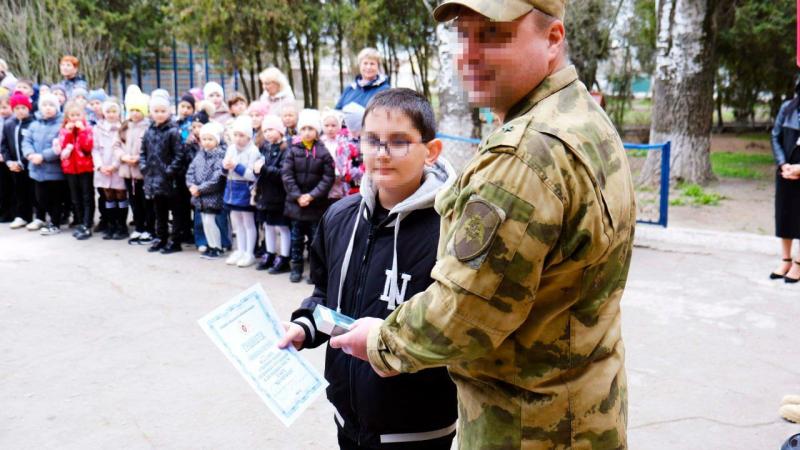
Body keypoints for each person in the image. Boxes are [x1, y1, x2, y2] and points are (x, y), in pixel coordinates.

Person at [329, 2, 636, 448]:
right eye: (463, 34)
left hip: (528, 426)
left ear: (552, 38)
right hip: (581, 409)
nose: (468, 53)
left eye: (493, 35)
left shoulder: (526, 154)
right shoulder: (579, 117)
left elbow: (465, 310)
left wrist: (381, 340)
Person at [278, 88, 458, 450]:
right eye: (372, 140)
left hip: (418, 428)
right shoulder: (339, 216)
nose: (382, 153)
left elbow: (458, 329)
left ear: (432, 151)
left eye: (399, 141)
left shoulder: (449, 229)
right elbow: (326, 296)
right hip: (348, 417)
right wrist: (305, 326)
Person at [281, 109, 335, 283]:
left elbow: (328, 178)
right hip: (296, 205)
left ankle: (314, 272)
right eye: (303, 128)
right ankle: (295, 268)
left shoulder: (323, 152)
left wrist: (311, 196)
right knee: (296, 238)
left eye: (310, 128)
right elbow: (287, 175)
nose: (307, 132)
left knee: (314, 240)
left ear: (317, 131)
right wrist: (298, 196)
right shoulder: (292, 151)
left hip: (315, 205)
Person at [140, 93, 186, 254]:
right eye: (156, 111)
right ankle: (161, 238)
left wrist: (169, 171)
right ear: (151, 112)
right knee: (159, 211)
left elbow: (180, 155)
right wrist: (144, 167)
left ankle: (175, 241)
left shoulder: (173, 132)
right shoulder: (149, 131)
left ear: (169, 112)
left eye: (163, 111)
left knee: (175, 211)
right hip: (153, 178)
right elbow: (143, 152)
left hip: (169, 180)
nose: (159, 114)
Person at [186, 102, 232, 253]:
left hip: (213, 196)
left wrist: (199, 189)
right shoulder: (200, 154)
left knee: (215, 221)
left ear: (217, 140)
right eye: (204, 139)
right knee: (205, 222)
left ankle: (219, 245)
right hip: (200, 196)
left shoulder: (220, 155)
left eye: (210, 139)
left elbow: (217, 178)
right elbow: (190, 171)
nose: (206, 142)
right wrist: (191, 185)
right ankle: (211, 245)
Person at [21, 92, 65, 235]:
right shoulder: (34, 124)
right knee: (41, 198)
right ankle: (49, 219)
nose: (48, 108)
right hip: (36, 169)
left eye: (51, 105)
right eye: (45, 105)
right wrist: (30, 154)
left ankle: (55, 223)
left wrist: (43, 156)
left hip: (54, 170)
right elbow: (26, 141)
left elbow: (60, 145)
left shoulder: (61, 125)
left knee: (55, 198)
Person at [770, 80, 800, 282]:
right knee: (785, 215)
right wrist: (783, 164)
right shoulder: (787, 108)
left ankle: (798, 264)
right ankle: (786, 259)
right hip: (786, 170)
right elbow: (775, 136)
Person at [222, 115, 261, 268]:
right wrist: (225, 167)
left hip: (245, 189)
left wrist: (236, 166)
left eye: (242, 135)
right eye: (236, 135)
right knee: (237, 222)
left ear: (249, 136)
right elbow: (224, 170)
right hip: (231, 187)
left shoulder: (253, 151)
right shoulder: (231, 148)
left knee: (248, 223)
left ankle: (249, 252)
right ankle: (240, 249)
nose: (238, 138)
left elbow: (252, 175)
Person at [254, 115, 290, 273]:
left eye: (271, 129)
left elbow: (283, 173)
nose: (268, 133)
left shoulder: (285, 149)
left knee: (282, 227)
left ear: (280, 130)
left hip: (279, 196)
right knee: (267, 226)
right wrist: (256, 170)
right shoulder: (265, 148)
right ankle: (269, 253)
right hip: (265, 194)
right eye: (265, 130)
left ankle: (284, 257)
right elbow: (259, 168)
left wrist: (263, 169)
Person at [116, 91, 154, 244]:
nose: (135, 113)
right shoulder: (125, 127)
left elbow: (151, 149)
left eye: (138, 110)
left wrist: (139, 158)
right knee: (134, 202)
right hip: (127, 172)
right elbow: (116, 145)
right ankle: (138, 227)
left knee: (146, 202)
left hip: (142, 172)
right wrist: (123, 157)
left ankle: (149, 229)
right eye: (132, 110)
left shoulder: (148, 128)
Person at [57, 101, 95, 240]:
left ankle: (87, 222)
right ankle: (79, 221)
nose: (75, 118)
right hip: (70, 168)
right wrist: (68, 132)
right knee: (75, 197)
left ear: (83, 115)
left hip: (85, 167)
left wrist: (83, 131)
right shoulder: (63, 130)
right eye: (72, 115)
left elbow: (87, 147)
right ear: (67, 117)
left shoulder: (88, 129)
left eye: (77, 115)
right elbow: (62, 146)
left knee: (87, 195)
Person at [93, 99, 128, 240]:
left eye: (114, 111)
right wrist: (100, 166)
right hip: (103, 168)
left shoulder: (123, 128)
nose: (111, 114)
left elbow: (122, 148)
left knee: (120, 195)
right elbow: (94, 149)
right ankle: (111, 224)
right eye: (108, 111)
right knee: (108, 196)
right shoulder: (98, 129)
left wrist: (115, 165)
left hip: (117, 168)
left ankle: (122, 225)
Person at [1, 91, 35, 229]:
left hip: (30, 164)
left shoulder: (33, 123)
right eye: (17, 108)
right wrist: (9, 162)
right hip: (15, 165)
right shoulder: (9, 124)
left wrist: (25, 161)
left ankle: (38, 217)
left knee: (33, 192)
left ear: (28, 108)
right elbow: (4, 145)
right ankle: (22, 216)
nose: (20, 111)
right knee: (19, 191)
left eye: (23, 108)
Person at [320, 108, 359, 201]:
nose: (330, 129)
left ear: (339, 125)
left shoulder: (344, 142)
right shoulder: (320, 142)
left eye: (333, 125)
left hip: (341, 180)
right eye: (327, 125)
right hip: (324, 177)